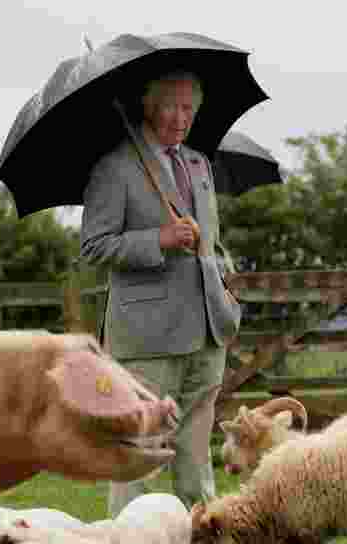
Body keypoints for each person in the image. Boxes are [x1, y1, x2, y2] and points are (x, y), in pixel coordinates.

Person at [79, 70, 242, 514]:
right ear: (149, 108)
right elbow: (94, 246)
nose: (181, 117)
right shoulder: (115, 168)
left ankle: (204, 539)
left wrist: (225, 284)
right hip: (147, 336)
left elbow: (214, 240)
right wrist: (160, 240)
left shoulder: (198, 164)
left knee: (196, 452)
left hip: (209, 329)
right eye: (171, 105)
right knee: (140, 448)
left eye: (189, 108)